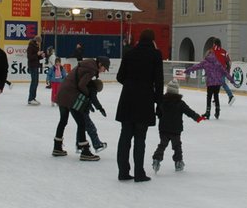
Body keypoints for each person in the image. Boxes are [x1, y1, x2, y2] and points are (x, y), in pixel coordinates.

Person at [115, 29, 165, 182]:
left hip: (127, 99)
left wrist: (131, 85)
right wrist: (158, 103)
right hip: (145, 100)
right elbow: (159, 81)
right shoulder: (155, 55)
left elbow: (119, 76)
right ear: (152, 40)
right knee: (140, 138)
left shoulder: (129, 53)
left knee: (125, 136)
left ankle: (123, 172)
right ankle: (139, 173)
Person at [52, 55, 108, 161]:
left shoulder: (88, 65)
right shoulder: (92, 69)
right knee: (81, 123)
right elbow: (82, 85)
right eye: (104, 68)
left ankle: (57, 147)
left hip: (62, 92)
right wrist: (87, 96)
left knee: (63, 121)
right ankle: (85, 150)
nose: (104, 71)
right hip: (70, 95)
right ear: (100, 64)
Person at [152, 80, 204, 173]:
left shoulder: (162, 101)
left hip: (163, 128)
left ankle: (156, 160)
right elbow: (189, 112)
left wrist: (161, 117)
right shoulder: (180, 103)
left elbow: (158, 113)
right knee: (177, 146)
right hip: (176, 129)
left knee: (162, 144)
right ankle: (178, 162)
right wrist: (198, 118)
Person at [184, 49, 229, 119]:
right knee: (216, 96)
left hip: (210, 82)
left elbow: (196, 67)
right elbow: (223, 70)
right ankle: (217, 111)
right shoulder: (217, 62)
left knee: (209, 97)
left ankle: (208, 112)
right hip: (217, 82)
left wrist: (188, 70)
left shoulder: (205, 62)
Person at [77, 78, 109, 154]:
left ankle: (79, 145)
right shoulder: (92, 89)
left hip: (79, 109)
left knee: (81, 128)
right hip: (82, 111)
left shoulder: (88, 86)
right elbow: (94, 99)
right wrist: (100, 108)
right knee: (91, 128)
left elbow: (87, 97)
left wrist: (90, 106)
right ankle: (97, 145)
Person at [211, 38, 235, 105]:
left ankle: (230, 96)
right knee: (222, 84)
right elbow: (229, 62)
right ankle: (230, 96)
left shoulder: (213, 51)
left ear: (214, 44)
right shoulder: (224, 51)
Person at [26, 35, 44, 106]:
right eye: (39, 42)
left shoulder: (36, 46)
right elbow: (29, 57)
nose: (39, 43)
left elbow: (36, 58)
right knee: (34, 82)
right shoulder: (31, 46)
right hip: (32, 66)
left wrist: (41, 56)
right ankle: (30, 99)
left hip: (36, 66)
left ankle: (33, 98)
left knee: (36, 82)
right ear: (36, 40)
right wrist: (37, 54)